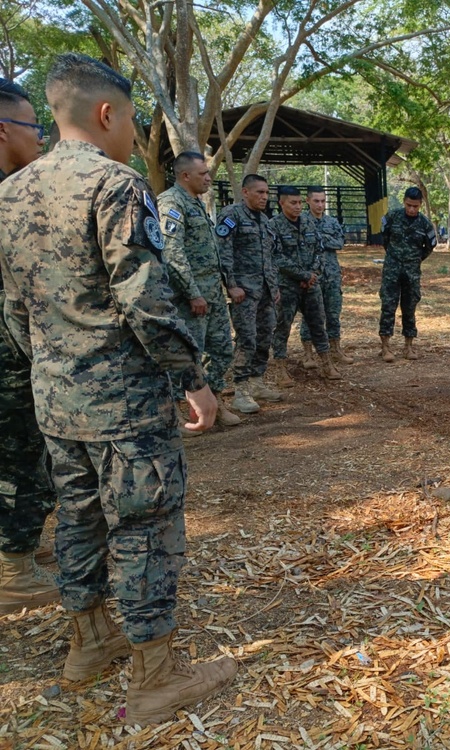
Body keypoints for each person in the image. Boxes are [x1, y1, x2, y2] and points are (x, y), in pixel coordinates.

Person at [0, 53, 235, 724]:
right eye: (131, 120)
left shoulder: (10, 192)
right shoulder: (115, 184)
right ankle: (156, 675)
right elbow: (146, 298)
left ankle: (88, 645)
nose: (133, 134)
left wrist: (52, 366)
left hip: (56, 399)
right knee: (145, 527)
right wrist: (191, 378)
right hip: (124, 403)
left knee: (77, 516)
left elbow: (13, 310)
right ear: (107, 114)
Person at [0, 78, 59, 614]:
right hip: (7, 360)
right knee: (18, 452)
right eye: (33, 127)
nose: (40, 139)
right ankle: (13, 570)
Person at [158, 151, 240, 434]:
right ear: (185, 176)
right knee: (189, 355)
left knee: (222, 350)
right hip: (190, 298)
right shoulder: (172, 202)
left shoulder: (195, 203)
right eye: (203, 173)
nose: (208, 178)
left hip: (212, 294)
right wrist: (193, 294)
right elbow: (172, 252)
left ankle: (214, 401)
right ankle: (182, 412)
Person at [216, 173, 284, 413]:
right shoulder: (231, 216)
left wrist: (274, 287)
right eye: (259, 192)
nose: (264, 197)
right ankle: (240, 390)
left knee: (265, 336)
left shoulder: (264, 220)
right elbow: (223, 252)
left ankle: (256, 382)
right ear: (245, 192)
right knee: (247, 338)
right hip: (244, 291)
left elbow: (270, 257)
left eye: (266, 193)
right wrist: (231, 285)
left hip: (265, 291)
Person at [268, 186, 340, 383]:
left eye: (300, 202)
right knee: (282, 327)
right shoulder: (273, 226)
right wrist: (303, 274)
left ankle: (327, 363)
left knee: (318, 324)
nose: (298, 207)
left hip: (311, 285)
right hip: (287, 286)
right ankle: (280, 368)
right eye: (293, 203)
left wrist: (314, 273)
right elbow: (277, 258)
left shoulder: (308, 222)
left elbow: (320, 249)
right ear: (281, 203)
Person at [378, 186, 437, 362]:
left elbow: (430, 246)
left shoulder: (425, 224)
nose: (412, 209)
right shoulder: (392, 217)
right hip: (391, 271)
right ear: (404, 201)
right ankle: (385, 347)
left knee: (409, 308)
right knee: (388, 306)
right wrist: (394, 257)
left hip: (412, 272)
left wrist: (415, 260)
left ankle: (408, 346)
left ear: (420, 205)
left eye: (415, 206)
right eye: (409, 205)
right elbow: (385, 238)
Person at [301, 186, 352, 367]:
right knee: (310, 314)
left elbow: (339, 243)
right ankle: (308, 354)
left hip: (331, 275)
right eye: (316, 201)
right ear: (307, 201)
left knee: (333, 313)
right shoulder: (300, 221)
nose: (320, 205)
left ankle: (335, 349)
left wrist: (318, 237)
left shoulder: (331, 222)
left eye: (323, 201)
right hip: (311, 275)